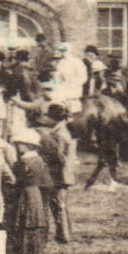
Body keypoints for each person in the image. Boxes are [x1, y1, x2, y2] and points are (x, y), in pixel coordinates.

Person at [5, 127, 51, 254]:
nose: (17, 147)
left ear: (26, 145)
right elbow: (47, 183)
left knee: (20, 234)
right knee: (35, 236)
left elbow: (14, 182)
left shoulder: (22, 162)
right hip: (37, 199)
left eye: (19, 144)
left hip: (24, 198)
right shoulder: (40, 161)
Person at [39, 103, 78, 244]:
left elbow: (59, 156)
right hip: (65, 173)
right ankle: (64, 233)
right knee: (60, 204)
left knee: (58, 204)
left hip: (59, 174)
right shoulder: (64, 130)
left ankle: (63, 234)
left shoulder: (59, 134)